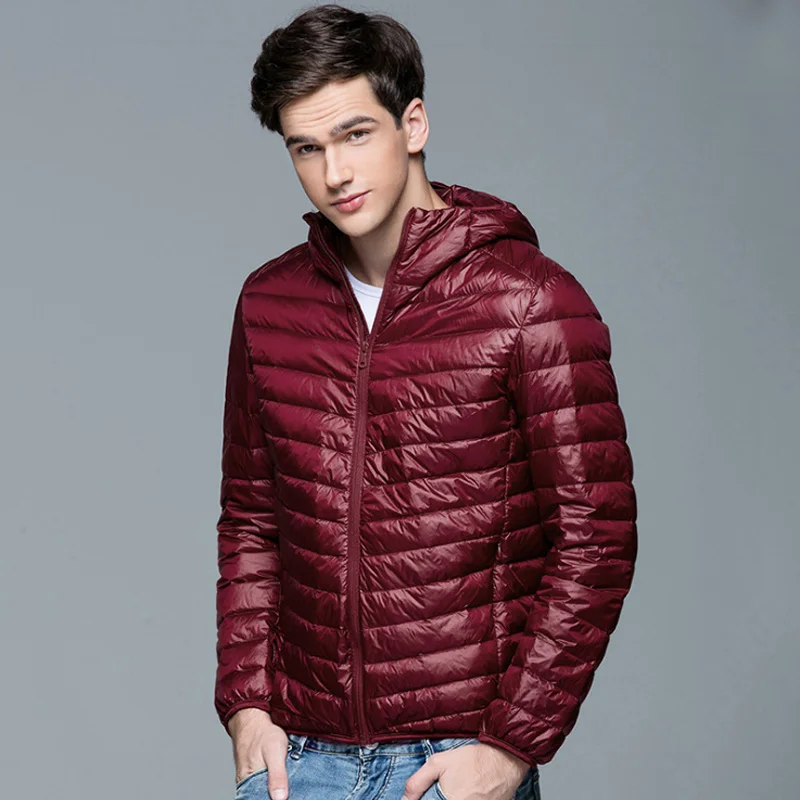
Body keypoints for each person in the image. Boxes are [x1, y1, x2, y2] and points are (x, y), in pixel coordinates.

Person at [214, 5, 638, 800]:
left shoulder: (530, 300)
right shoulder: (269, 305)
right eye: (306, 148)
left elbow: (596, 541)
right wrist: (246, 706)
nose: (334, 173)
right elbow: (252, 520)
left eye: (355, 135)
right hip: (300, 759)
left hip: (454, 762)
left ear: (413, 124)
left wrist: (510, 747)